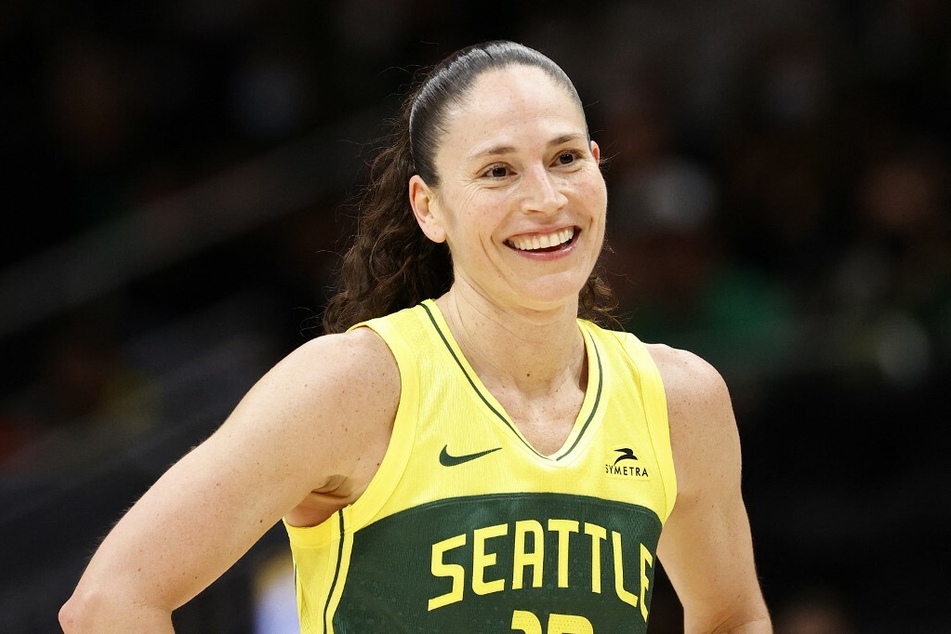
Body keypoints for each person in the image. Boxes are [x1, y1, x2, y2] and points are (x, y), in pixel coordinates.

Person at [59, 40, 771, 632]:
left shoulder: (680, 401)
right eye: (498, 171)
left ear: (597, 165)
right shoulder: (354, 387)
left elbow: (734, 618)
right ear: (429, 207)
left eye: (564, 159)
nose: (546, 199)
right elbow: (110, 602)